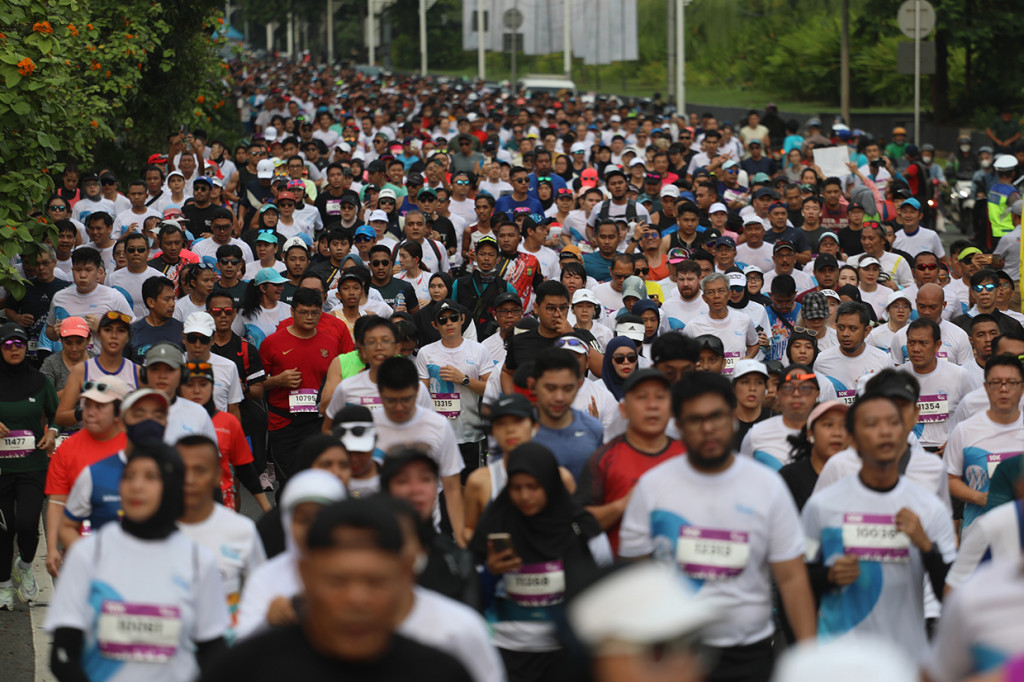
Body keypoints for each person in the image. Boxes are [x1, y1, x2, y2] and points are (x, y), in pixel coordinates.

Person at [619, 372, 816, 682]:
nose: (708, 428)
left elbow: (791, 578)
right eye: (695, 420)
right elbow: (633, 577)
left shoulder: (767, 486)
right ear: (678, 425)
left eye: (716, 417)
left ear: (733, 418)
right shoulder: (652, 488)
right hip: (673, 657)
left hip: (749, 656)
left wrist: (810, 660)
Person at [202, 497, 474, 682]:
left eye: (375, 581)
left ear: (405, 576)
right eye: (337, 581)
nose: (356, 599)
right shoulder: (243, 670)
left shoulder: (442, 672)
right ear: (304, 575)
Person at [46, 442, 229, 681]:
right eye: (129, 476)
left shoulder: (198, 560)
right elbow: (62, 655)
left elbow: (213, 652)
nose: (136, 486)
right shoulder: (88, 554)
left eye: (151, 477)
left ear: (172, 486)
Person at [801, 391, 956, 661]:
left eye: (893, 423)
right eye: (872, 424)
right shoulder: (822, 506)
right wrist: (828, 575)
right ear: (852, 438)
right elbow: (795, 580)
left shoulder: (929, 508)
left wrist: (926, 548)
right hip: (837, 659)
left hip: (904, 661)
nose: (885, 432)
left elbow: (952, 595)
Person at [470, 443, 611, 682]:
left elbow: (603, 589)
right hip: (506, 652)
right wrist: (490, 573)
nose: (525, 496)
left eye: (533, 487)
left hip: (565, 653)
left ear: (549, 483)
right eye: (516, 488)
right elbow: (471, 598)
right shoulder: (493, 525)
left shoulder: (582, 528)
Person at [576, 369, 685, 555]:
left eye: (660, 397)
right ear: (623, 410)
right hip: (622, 569)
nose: (652, 405)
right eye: (642, 397)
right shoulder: (603, 459)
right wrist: (625, 504)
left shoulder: (688, 457)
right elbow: (582, 523)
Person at [236, 469, 347, 640]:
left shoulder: (360, 573)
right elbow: (241, 641)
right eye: (302, 519)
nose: (311, 528)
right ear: (288, 522)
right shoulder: (265, 577)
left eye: (321, 517)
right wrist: (267, 621)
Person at [176, 434, 266, 637]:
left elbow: (260, 596)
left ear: (218, 474)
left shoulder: (242, 531)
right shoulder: (155, 530)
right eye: (182, 470)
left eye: (200, 470)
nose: (190, 480)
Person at [372, 356, 466, 541]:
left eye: (406, 399)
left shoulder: (438, 426)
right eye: (391, 401)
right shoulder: (370, 425)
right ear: (380, 392)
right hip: (382, 528)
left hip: (428, 529)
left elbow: (452, 488)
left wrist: (461, 540)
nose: (399, 407)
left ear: (417, 391)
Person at [259, 288, 346, 485]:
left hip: (318, 422)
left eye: (315, 313)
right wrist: (277, 380)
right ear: (292, 312)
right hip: (283, 422)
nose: (309, 317)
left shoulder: (331, 343)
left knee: (318, 480)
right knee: (288, 482)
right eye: (304, 312)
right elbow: (255, 385)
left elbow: (340, 381)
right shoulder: (272, 343)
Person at [0, 323, 59, 608]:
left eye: (19, 343)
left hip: (32, 465)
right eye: (8, 344)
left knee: (27, 523)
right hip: (1, 470)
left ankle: (23, 566)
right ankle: (3, 585)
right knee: (3, 529)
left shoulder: (40, 381)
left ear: (26, 347)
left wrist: (52, 432)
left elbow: (57, 414)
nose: (14, 349)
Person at [380, 447, 481, 610]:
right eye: (402, 481)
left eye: (425, 479)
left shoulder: (456, 560)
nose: (415, 490)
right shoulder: (367, 554)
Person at [943, 354, 1024, 530]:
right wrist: (980, 498)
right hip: (978, 533)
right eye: (996, 383)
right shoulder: (964, 431)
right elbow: (949, 478)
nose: (1004, 389)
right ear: (986, 388)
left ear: (1022, 388)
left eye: (1011, 383)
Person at [178, 360, 270, 513]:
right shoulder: (169, 419)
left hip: (223, 509)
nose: (197, 390)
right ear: (180, 388)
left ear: (212, 387)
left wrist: (267, 508)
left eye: (203, 384)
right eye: (189, 385)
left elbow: (245, 470)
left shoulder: (228, 422)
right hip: (182, 510)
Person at [415, 300, 493, 475]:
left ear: (462, 319)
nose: (449, 323)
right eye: (443, 320)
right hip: (438, 435)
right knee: (440, 487)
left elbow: (491, 390)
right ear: (435, 325)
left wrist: (464, 380)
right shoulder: (425, 353)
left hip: (470, 433)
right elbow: (422, 395)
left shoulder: (479, 350)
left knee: (470, 485)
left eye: (453, 318)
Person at [897, 318, 972, 452]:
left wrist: (955, 443)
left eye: (923, 343)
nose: (916, 349)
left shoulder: (959, 375)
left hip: (948, 448)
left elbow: (973, 415)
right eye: (911, 342)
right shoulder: (896, 377)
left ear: (937, 345)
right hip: (907, 450)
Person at [56, 311, 139, 428]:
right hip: (91, 437)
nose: (114, 336)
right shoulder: (82, 370)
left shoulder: (137, 372)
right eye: (108, 330)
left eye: (121, 331)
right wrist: (87, 411)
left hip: (125, 438)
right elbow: (60, 417)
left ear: (128, 337)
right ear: (99, 335)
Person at [530, 348, 604, 479]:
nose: (559, 397)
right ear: (533, 385)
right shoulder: (518, 430)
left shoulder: (593, 429)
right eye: (550, 388)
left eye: (567, 389)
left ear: (578, 386)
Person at [740, 364, 820, 471]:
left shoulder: (830, 432)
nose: (796, 394)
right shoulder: (756, 434)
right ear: (778, 393)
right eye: (788, 387)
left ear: (817, 393)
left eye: (804, 388)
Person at [814, 301, 893, 401]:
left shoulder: (883, 360)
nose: (845, 334)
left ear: (867, 331)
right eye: (841, 328)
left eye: (852, 328)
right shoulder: (821, 361)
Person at [778, 400, 849, 511]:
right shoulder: (789, 477)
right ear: (810, 434)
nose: (837, 433)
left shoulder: (859, 475)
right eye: (828, 425)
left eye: (844, 426)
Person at [126, 275, 184, 363]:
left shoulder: (182, 331)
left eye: (173, 299)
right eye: (167, 299)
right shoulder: (132, 333)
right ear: (151, 302)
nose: (172, 304)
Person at [732, 358, 776, 448]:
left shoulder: (776, 422)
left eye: (759, 383)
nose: (752, 388)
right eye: (745, 382)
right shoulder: (723, 424)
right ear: (734, 387)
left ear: (765, 388)